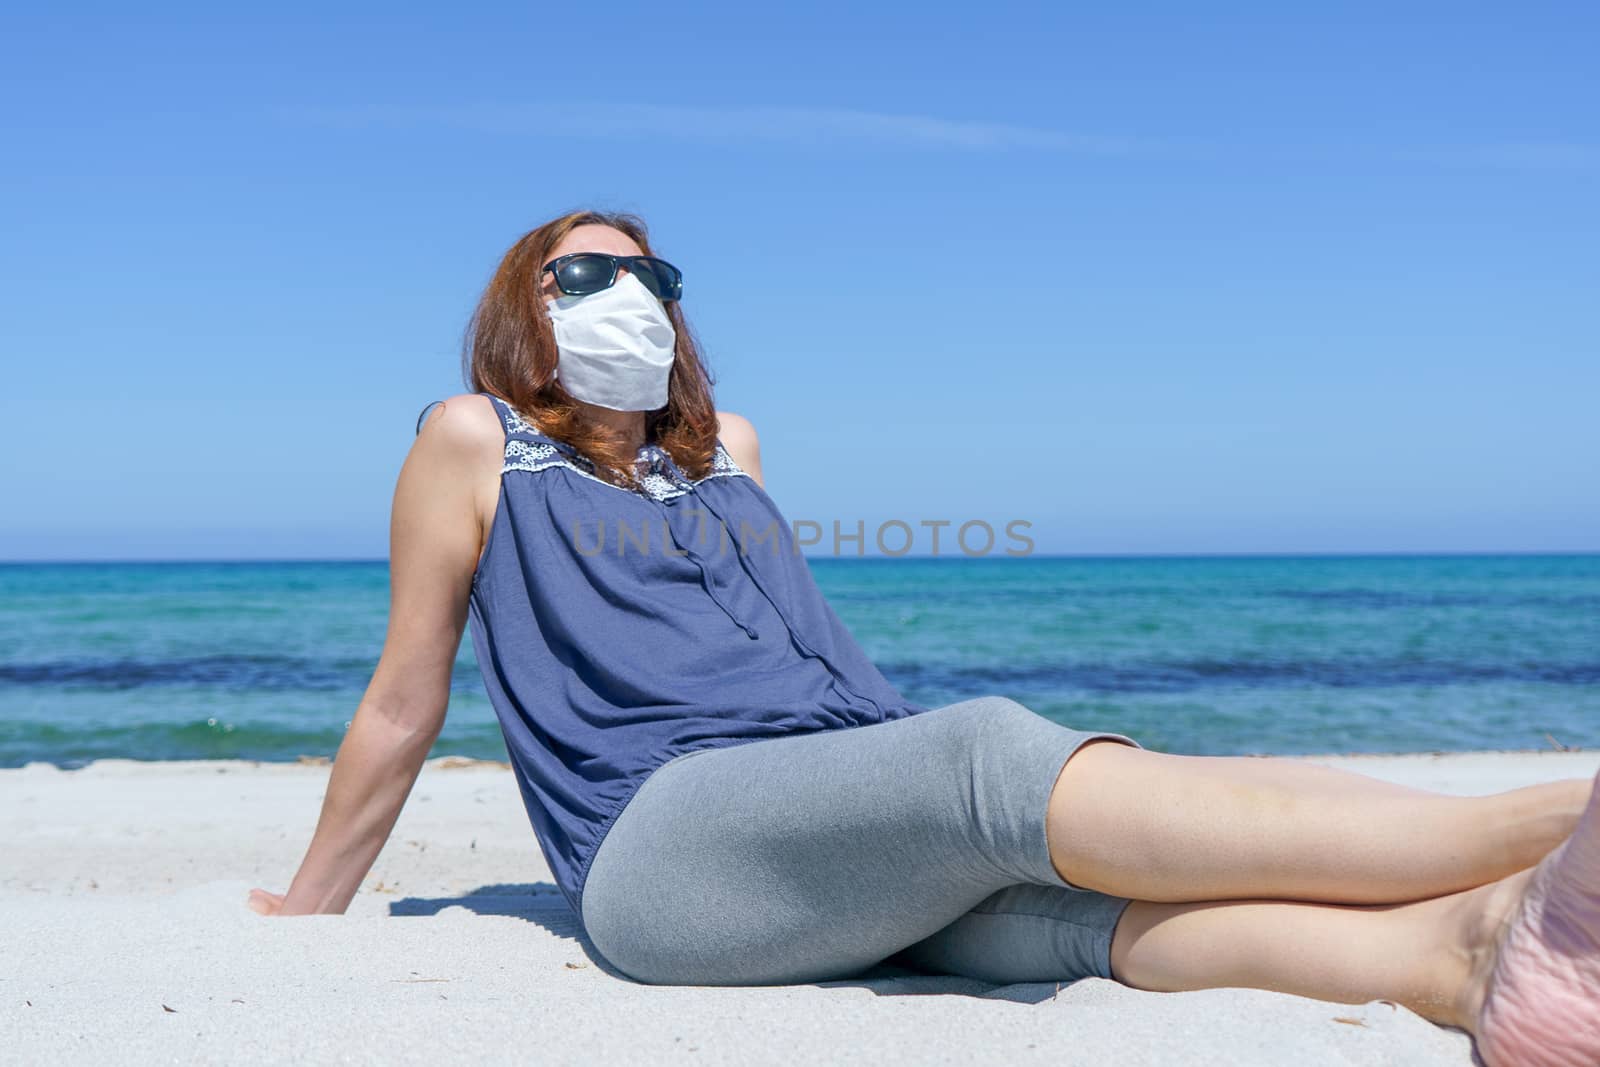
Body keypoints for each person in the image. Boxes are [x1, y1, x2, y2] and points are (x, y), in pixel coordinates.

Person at [250, 209, 1600, 1067]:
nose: (627, 289)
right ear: (523, 307)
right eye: (585, 270)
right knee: (990, 760)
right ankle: (1546, 822)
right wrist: (313, 906)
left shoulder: (735, 454)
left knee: (1063, 923)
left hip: (832, 812)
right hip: (663, 850)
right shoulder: (473, 439)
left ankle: (1473, 956)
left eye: (648, 270)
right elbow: (403, 696)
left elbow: (785, 657)